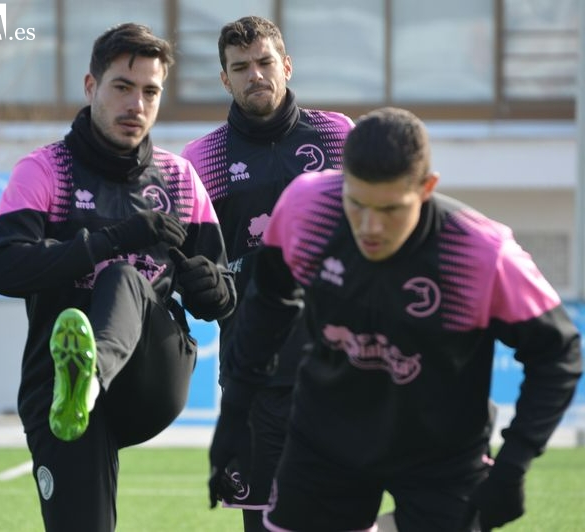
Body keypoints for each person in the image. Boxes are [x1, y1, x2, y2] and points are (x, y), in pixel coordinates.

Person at [210, 106, 583, 531]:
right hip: (329, 433)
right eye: (357, 203)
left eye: (389, 209)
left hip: (440, 450)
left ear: (426, 188)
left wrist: (514, 462)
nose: (370, 227)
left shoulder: (480, 252)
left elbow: (559, 352)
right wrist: (236, 413)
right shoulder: (307, 207)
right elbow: (269, 304)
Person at [0, 23, 236, 532]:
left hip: (151, 377)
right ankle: (79, 388)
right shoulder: (45, 170)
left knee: (124, 279)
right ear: (91, 86)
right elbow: (2, 268)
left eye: (150, 91)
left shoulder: (179, 179)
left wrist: (207, 286)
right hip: (59, 395)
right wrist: (108, 239)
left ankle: (89, 378)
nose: (136, 104)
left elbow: (223, 295)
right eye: (123, 86)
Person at [180, 15, 353, 530]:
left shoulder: (338, 135)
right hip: (252, 377)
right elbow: (198, 274)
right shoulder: (201, 160)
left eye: (264, 62)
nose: (255, 75)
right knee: (262, 523)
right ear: (225, 79)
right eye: (241, 67)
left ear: (286, 65)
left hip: (337, 366)